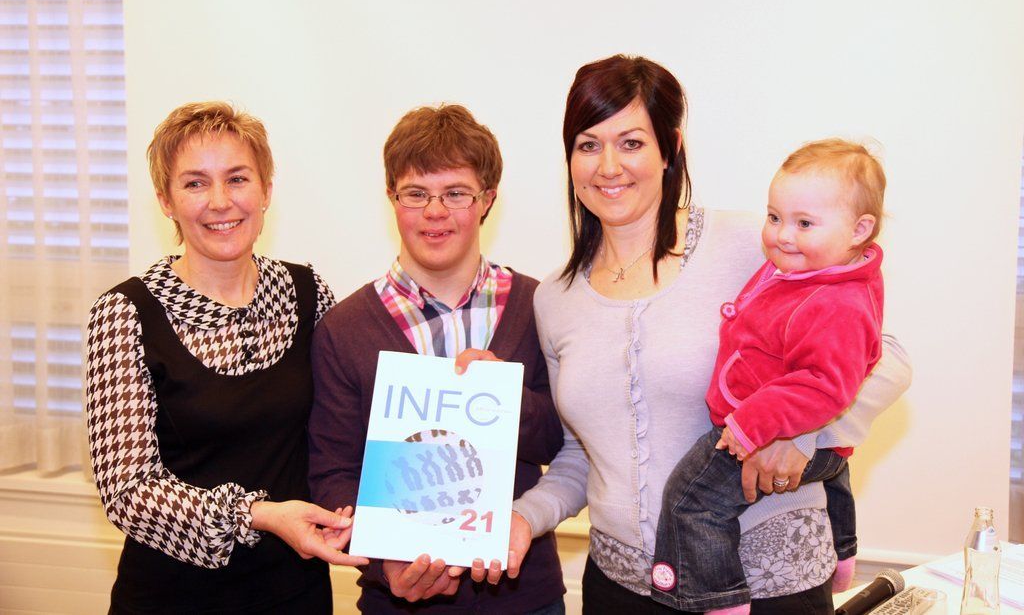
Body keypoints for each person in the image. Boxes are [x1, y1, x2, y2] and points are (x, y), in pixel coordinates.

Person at [508, 55, 912, 614]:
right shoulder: (555, 298)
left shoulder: (759, 244)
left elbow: (883, 357)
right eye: (587, 144)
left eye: (631, 143)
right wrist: (524, 518)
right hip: (619, 590)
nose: (608, 166)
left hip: (768, 586)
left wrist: (802, 435)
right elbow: (582, 455)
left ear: (670, 148)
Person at [85, 101, 367, 614]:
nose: (220, 202)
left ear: (266, 191)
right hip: (172, 599)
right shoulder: (125, 313)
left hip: (296, 593)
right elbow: (128, 492)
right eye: (195, 183)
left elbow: (354, 419)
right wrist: (257, 514)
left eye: (237, 178)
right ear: (165, 201)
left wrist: (458, 378)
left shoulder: (307, 293)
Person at [308, 104, 566, 613]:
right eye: (416, 193)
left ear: (487, 199)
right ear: (391, 197)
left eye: (456, 193)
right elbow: (332, 473)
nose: (435, 211)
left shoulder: (540, 306)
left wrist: (509, 400)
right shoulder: (343, 329)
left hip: (523, 597)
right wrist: (384, 564)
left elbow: (565, 444)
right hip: (397, 602)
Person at [650, 140, 888, 614]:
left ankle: (720, 599)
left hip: (758, 424)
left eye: (804, 223)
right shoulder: (818, 271)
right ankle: (843, 554)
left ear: (860, 230)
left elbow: (824, 384)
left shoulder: (836, 301)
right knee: (836, 467)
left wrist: (752, 425)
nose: (782, 235)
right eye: (774, 217)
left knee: (690, 500)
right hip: (824, 446)